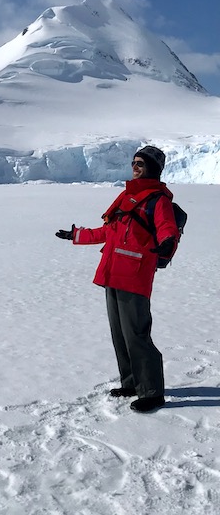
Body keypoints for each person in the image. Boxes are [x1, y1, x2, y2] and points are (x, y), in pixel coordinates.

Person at [56, 146, 177, 413]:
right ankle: (132, 382)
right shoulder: (127, 196)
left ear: (153, 168)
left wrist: (168, 242)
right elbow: (107, 232)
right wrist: (75, 235)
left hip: (134, 276)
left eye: (141, 164)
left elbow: (167, 227)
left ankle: (152, 392)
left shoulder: (158, 200)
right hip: (112, 273)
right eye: (133, 162)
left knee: (137, 335)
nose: (135, 167)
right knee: (120, 335)